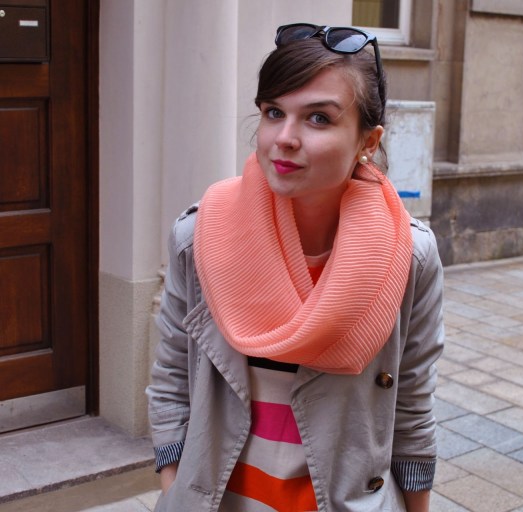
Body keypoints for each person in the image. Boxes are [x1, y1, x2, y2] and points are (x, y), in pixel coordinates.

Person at [147, 22, 445, 512]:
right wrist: (176, 487)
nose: (284, 138)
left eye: (318, 118)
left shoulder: (408, 257)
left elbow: (411, 404)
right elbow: (172, 381)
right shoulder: (200, 238)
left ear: (368, 141)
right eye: (273, 112)